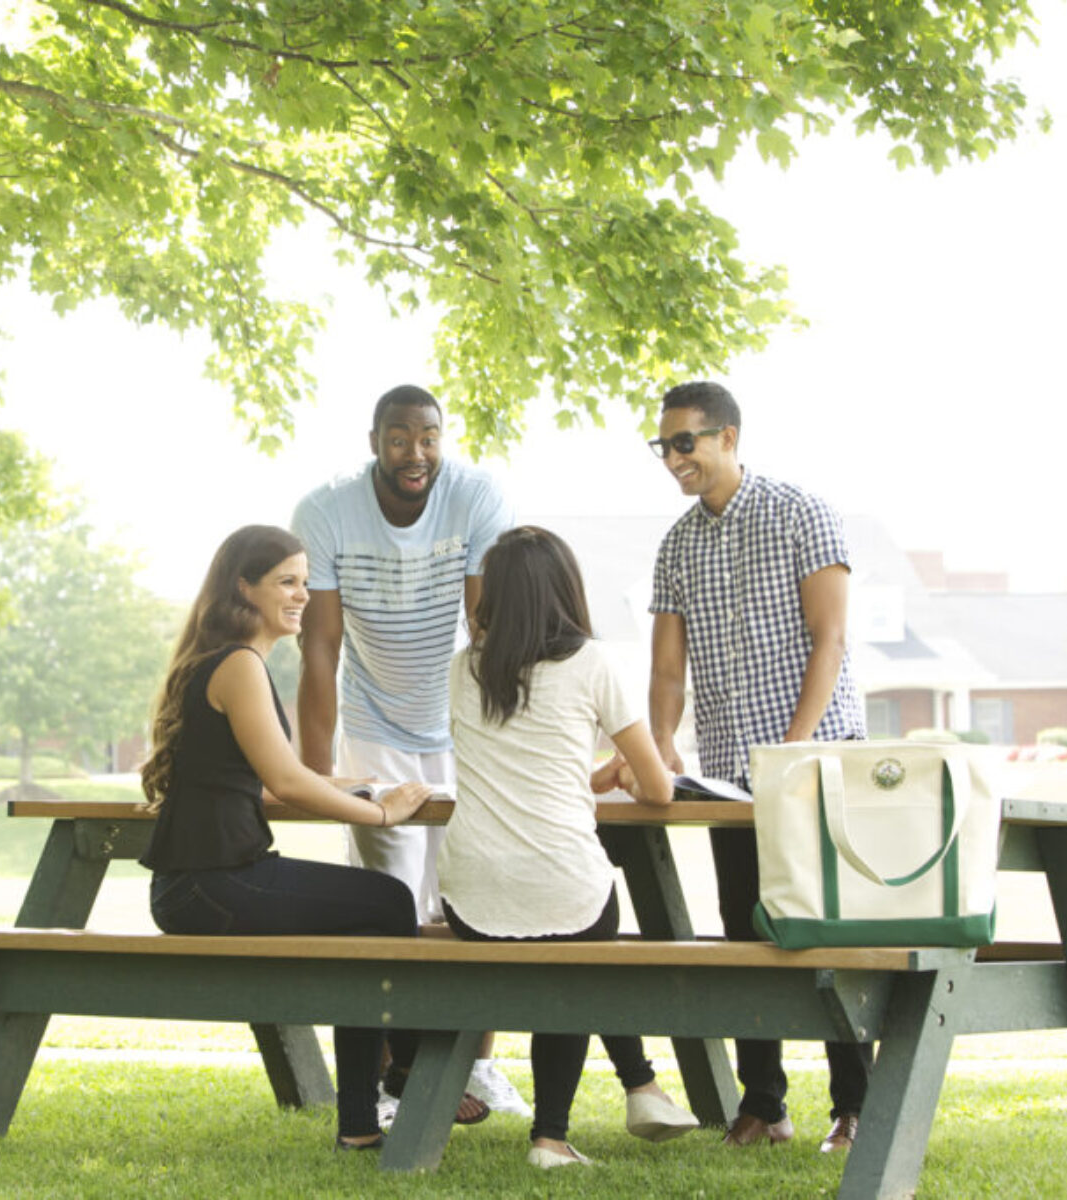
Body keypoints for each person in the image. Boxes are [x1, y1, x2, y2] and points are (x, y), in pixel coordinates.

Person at [139, 524, 476, 1151]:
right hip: (213, 884)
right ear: (244, 588)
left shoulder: (219, 663)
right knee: (387, 901)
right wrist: (381, 814)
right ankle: (405, 1065)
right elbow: (286, 780)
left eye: (304, 581)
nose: (302, 595)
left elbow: (259, 778)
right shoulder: (239, 666)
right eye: (286, 582)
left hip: (196, 884)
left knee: (368, 929)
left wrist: (350, 785)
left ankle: (360, 1123)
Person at [628, 381, 873, 1153]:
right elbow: (668, 672)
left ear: (728, 437)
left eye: (684, 444)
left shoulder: (802, 513)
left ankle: (856, 1106)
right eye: (663, 447)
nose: (672, 460)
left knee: (826, 935)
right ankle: (763, 1104)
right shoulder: (677, 543)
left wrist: (796, 746)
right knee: (745, 935)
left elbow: (829, 639)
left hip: (818, 761)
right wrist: (663, 745)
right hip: (730, 777)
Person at [292, 384, 528, 1116]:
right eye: (400, 438)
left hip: (459, 722)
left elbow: (486, 631)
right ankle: (394, 1079)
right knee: (388, 901)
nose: (415, 453)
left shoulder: (475, 495)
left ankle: (474, 1064)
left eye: (428, 437)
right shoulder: (325, 511)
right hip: (373, 726)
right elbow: (320, 649)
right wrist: (317, 773)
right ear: (375, 443)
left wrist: (497, 746)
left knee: (471, 891)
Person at [437, 526, 698, 1167]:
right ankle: (576, 1121)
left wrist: (594, 772)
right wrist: (621, 766)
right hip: (564, 889)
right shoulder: (593, 662)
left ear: (494, 595)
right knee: (581, 957)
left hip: (471, 899)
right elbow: (660, 788)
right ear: (564, 591)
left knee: (575, 956)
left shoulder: (463, 669)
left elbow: (519, 769)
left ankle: (641, 1090)